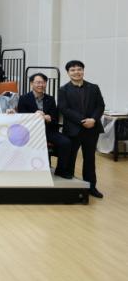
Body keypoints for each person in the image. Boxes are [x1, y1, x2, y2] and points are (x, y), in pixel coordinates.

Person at [58, 60, 105, 198]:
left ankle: (91, 187)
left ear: (83, 71)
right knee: (71, 158)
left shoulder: (94, 87)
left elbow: (100, 106)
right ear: (68, 73)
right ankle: (70, 189)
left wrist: (93, 119)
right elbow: (64, 109)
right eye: (72, 70)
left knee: (90, 159)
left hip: (92, 128)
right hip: (73, 129)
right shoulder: (63, 90)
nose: (76, 72)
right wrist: (82, 121)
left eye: (79, 69)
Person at [18, 73, 73, 179]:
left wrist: (49, 118)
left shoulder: (50, 99)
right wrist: (35, 116)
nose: (41, 85)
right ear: (31, 83)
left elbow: (55, 119)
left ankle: (60, 170)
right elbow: (22, 118)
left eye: (43, 82)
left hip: (48, 130)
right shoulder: (24, 98)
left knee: (66, 142)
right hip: (31, 132)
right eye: (38, 82)